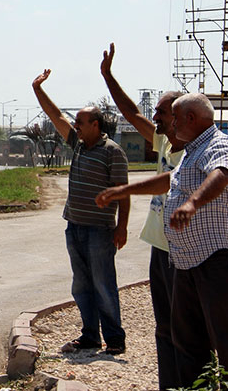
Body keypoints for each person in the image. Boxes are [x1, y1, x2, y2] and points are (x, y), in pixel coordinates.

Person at [96, 93, 228, 387]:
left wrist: (192, 203)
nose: (169, 125)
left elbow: (221, 174)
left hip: (215, 262)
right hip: (186, 262)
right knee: (188, 341)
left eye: (175, 118)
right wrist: (123, 191)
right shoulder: (190, 150)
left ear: (191, 119)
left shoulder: (217, 145)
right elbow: (170, 181)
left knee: (223, 337)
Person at [100, 42, 185, 390]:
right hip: (159, 247)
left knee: (187, 327)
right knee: (163, 326)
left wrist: (123, 192)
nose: (155, 118)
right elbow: (132, 112)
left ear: (180, 117)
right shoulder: (165, 143)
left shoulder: (196, 152)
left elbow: (168, 181)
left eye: (162, 113)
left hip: (185, 252)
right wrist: (108, 76)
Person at [32, 68, 130, 355]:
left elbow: (123, 196)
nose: (75, 126)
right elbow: (56, 117)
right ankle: (90, 335)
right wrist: (38, 89)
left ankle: (114, 339)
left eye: (81, 122)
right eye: (76, 122)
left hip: (99, 231)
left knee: (103, 284)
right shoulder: (78, 145)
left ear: (96, 125)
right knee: (81, 285)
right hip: (73, 226)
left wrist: (121, 227)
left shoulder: (113, 152)